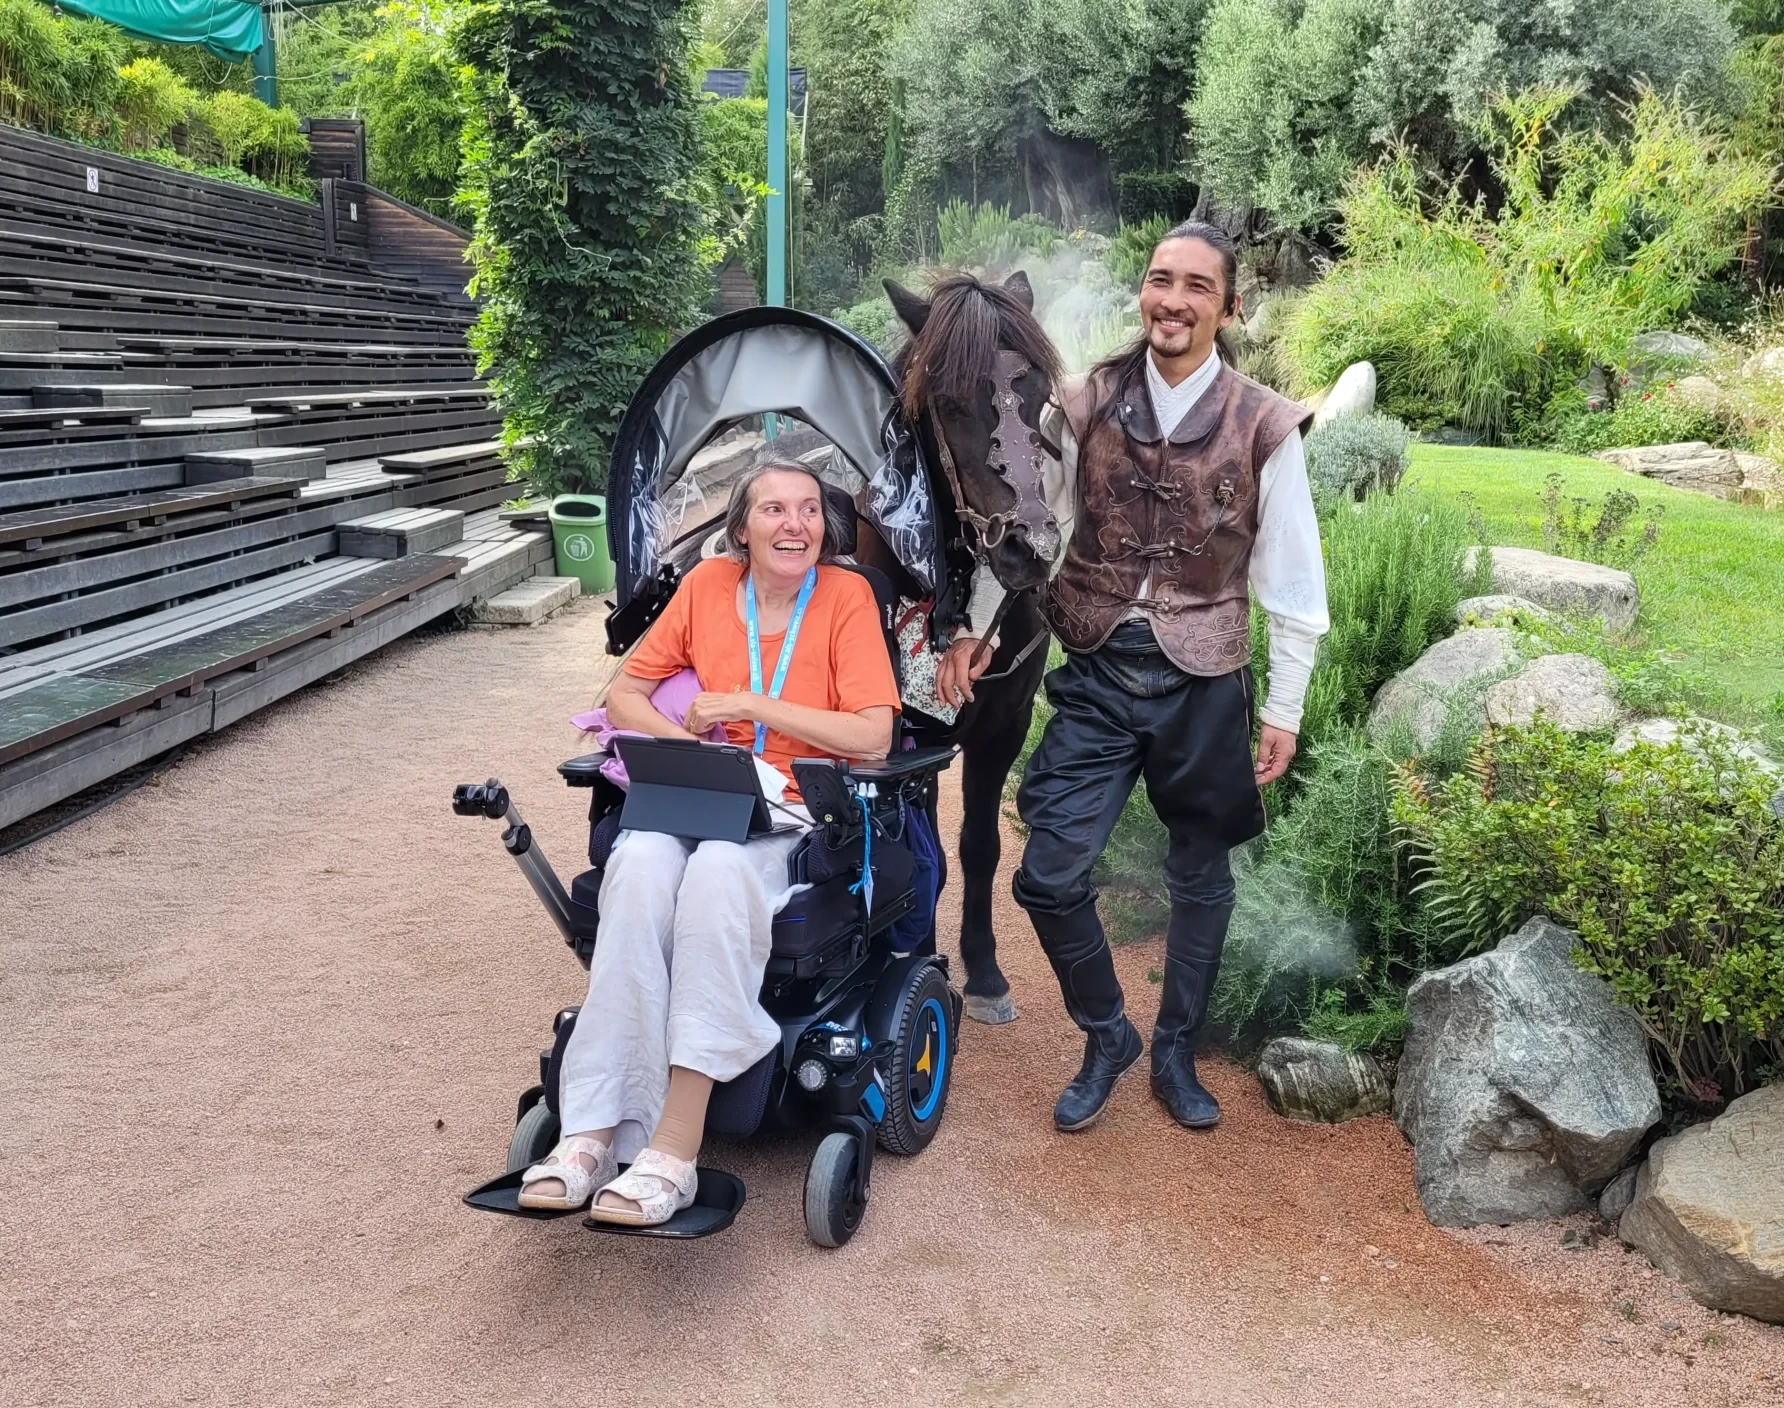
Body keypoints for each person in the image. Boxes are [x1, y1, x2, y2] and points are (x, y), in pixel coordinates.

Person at [938, 222, 1326, 1132]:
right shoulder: (1082, 403)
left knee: (1202, 878)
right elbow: (1032, 524)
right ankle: (1108, 1032)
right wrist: (978, 627)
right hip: (1100, 671)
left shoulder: (1266, 424)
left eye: (1197, 286)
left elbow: (1293, 580)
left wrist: (1285, 704)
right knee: (1047, 875)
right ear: (1142, 292)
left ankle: (1175, 1050)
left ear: (1230, 308)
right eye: (1160, 280)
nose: (1173, 301)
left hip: (1207, 682)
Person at [519, 459, 902, 1223]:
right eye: (774, 510)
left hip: (795, 805)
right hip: (705, 788)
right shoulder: (705, 586)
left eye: (809, 510)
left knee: (720, 872)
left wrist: (751, 706)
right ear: (741, 529)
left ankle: (675, 1146)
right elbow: (625, 694)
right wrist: (692, 749)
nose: (795, 524)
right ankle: (591, 1130)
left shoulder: (846, 596)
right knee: (636, 863)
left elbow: (874, 735)